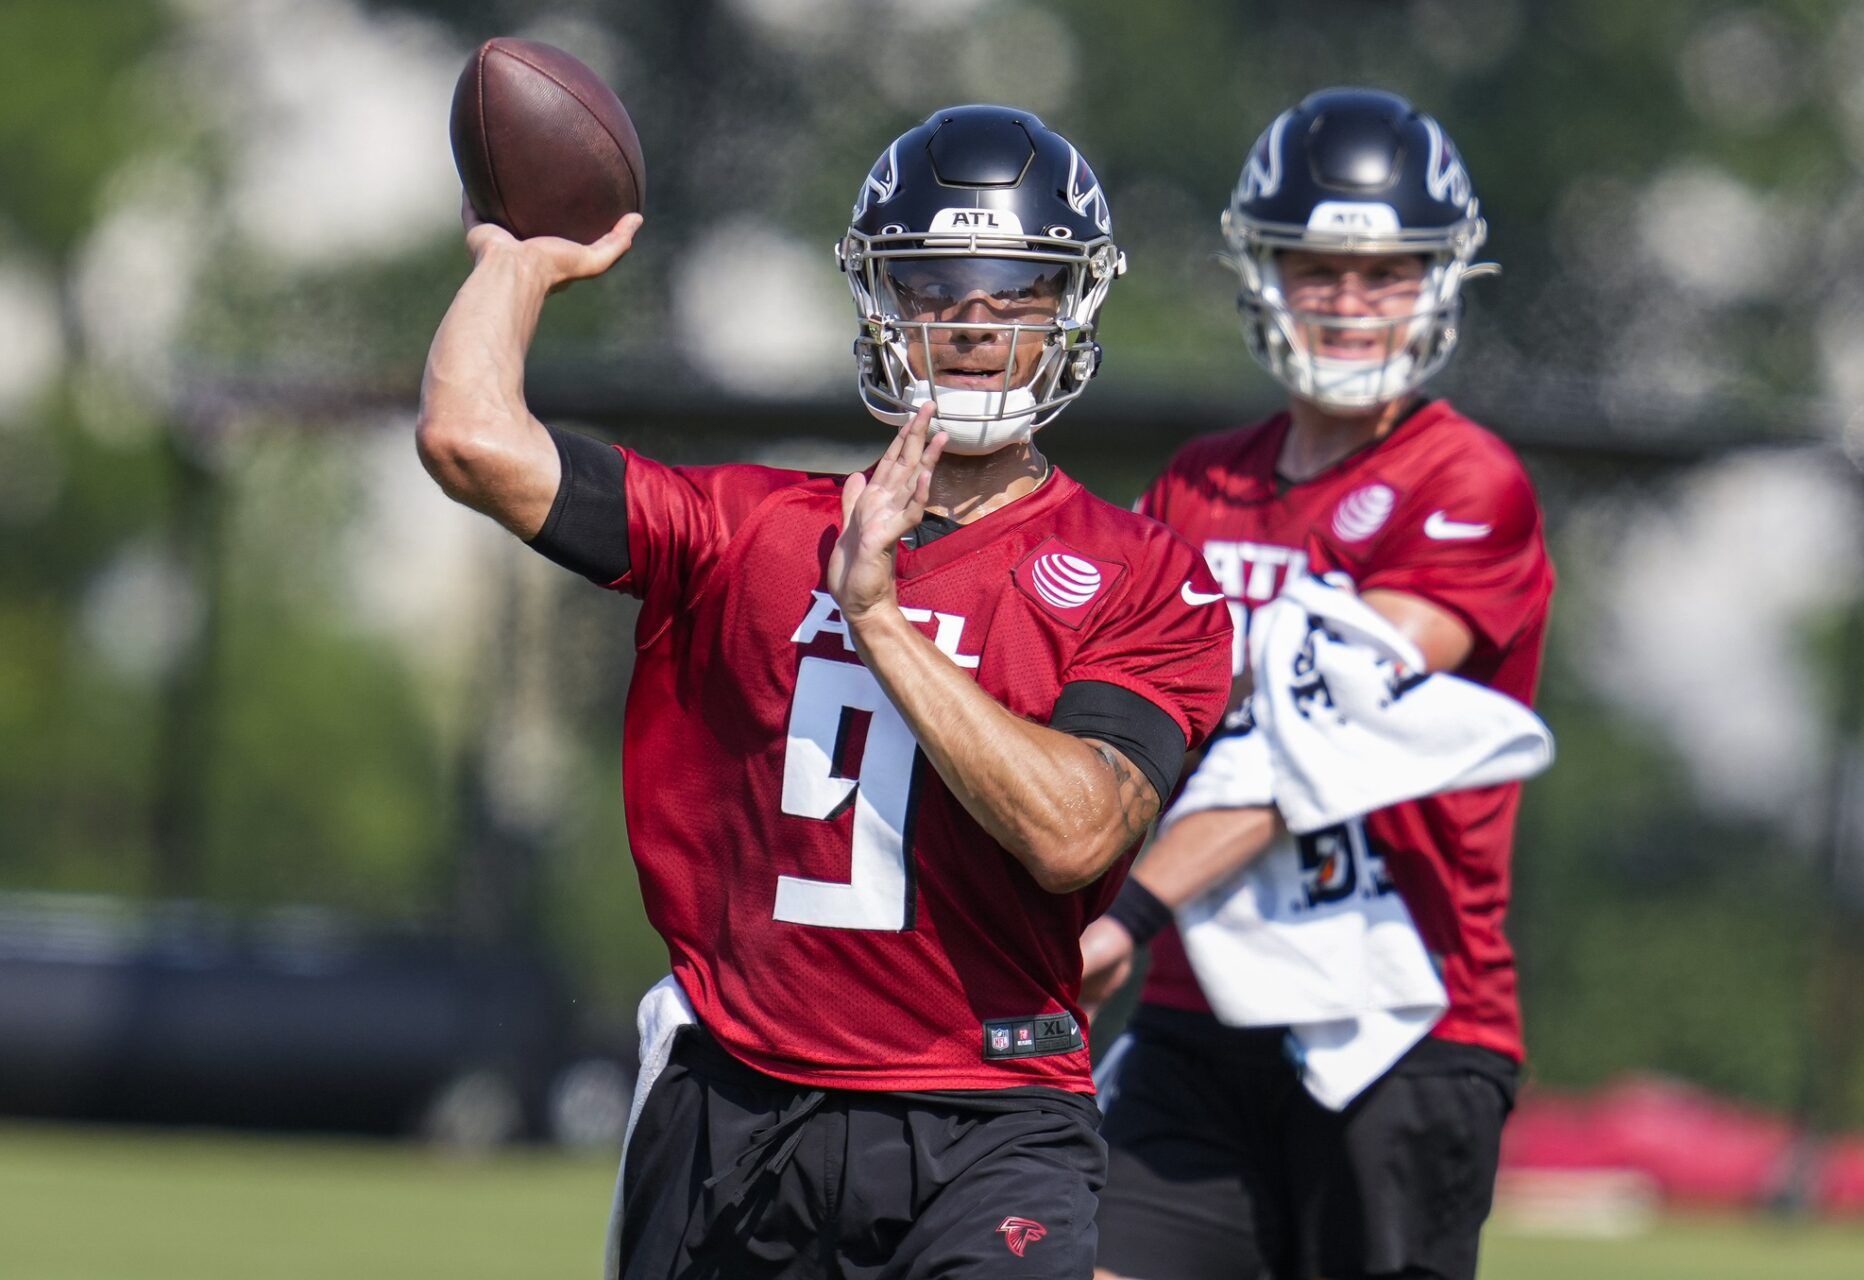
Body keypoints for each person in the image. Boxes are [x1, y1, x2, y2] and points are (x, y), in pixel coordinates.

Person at [416, 104, 1233, 1280]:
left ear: (1071, 308)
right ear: (883, 304)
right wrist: (517, 260)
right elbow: (470, 439)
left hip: (989, 1107)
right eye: (935, 287)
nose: (972, 324)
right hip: (739, 1100)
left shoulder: (1146, 572)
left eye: (1015, 291)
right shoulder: (746, 527)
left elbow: (1076, 830)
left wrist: (881, 617)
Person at [1082, 88, 1555, 1280]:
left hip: (1400, 1017)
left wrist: (1124, 910)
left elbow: (1317, 738)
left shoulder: (1466, 479)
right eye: (1319, 269)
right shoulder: (1197, 484)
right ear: (1265, 272)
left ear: (1439, 280)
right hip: (1201, 1009)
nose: (1349, 304)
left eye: (1386, 273)